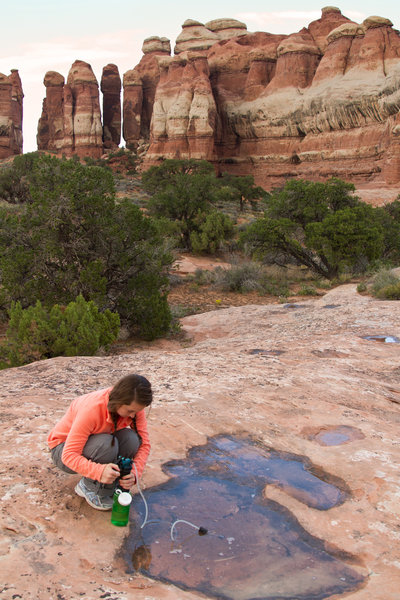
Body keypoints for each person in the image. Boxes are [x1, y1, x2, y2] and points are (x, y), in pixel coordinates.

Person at [47, 374, 152, 511]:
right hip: (61, 450)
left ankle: (113, 482)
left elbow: (144, 444)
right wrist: (99, 471)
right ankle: (89, 487)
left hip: (93, 443)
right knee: (107, 444)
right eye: (130, 411)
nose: (133, 416)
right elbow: (69, 455)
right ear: (120, 401)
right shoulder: (92, 409)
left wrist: (134, 472)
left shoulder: (134, 407)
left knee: (131, 439)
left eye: (137, 411)